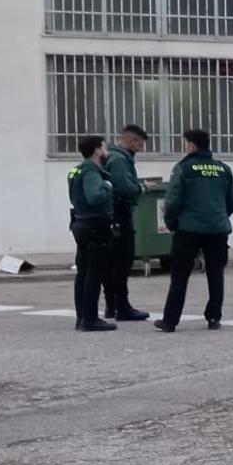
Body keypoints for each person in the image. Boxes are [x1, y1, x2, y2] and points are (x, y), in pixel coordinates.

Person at [155, 130, 233, 333]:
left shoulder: (183, 169)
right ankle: (213, 318)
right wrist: (218, 215)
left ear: (191, 145)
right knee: (216, 274)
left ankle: (170, 321)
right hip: (218, 230)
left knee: (180, 276)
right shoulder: (223, 169)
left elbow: (172, 202)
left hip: (188, 230)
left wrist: (173, 223)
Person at [68, 135, 117, 332]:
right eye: (105, 148)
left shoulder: (76, 169)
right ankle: (90, 318)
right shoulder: (91, 170)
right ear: (97, 150)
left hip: (80, 223)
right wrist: (107, 186)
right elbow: (95, 197)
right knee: (94, 273)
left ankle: (82, 317)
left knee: (83, 271)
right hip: (95, 224)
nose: (107, 152)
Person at [102, 125, 150, 321]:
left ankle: (111, 306)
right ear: (132, 141)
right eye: (140, 143)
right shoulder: (120, 159)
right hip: (119, 214)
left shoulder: (114, 156)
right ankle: (122, 306)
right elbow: (124, 188)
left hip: (111, 214)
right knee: (122, 260)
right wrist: (140, 189)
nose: (141, 148)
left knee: (111, 262)